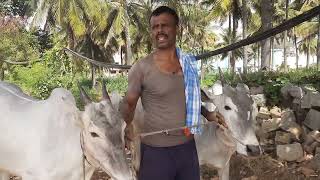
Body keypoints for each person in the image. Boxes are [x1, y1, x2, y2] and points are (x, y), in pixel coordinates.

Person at [121, 6, 227, 180]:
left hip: (188, 149)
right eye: (155, 27)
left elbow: (190, 98)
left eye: (165, 25)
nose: (159, 31)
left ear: (177, 29)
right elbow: (129, 104)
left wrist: (209, 114)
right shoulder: (141, 68)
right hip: (156, 154)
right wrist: (124, 130)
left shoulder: (188, 63)